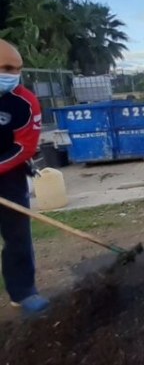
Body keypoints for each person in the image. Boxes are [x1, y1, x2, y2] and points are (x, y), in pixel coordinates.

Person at [0, 39, 49, 314]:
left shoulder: (25, 102)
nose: (11, 75)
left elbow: (25, 147)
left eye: (16, 69)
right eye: (5, 67)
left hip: (10, 176)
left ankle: (24, 291)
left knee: (17, 236)